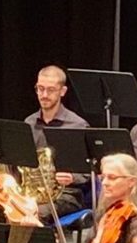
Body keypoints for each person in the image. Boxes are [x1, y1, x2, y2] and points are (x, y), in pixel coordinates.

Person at [26, 64, 90, 216]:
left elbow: (90, 169)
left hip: (67, 194)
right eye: (40, 89)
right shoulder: (29, 123)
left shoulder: (78, 125)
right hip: (33, 194)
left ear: (63, 91)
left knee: (34, 213)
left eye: (51, 90)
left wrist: (73, 177)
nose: (44, 94)